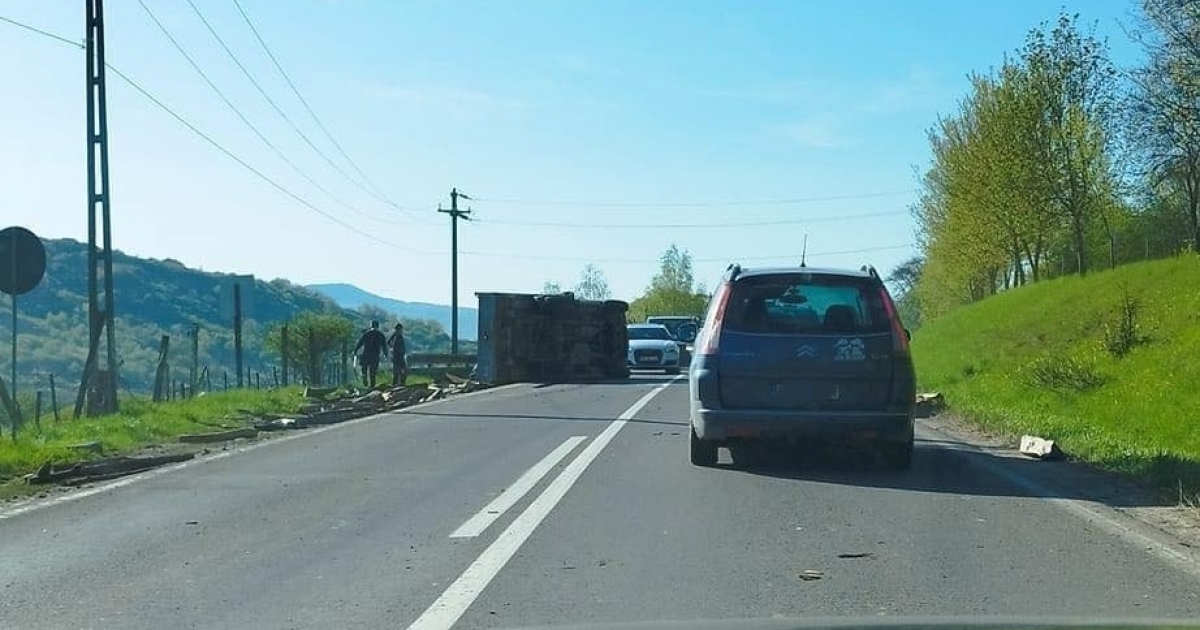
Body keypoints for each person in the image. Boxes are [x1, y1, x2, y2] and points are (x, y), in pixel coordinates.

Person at [353, 320, 388, 388]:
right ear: (378, 326)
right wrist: (385, 354)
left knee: (364, 369)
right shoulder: (381, 335)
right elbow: (384, 346)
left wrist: (355, 351)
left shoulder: (367, 333)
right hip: (375, 356)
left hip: (366, 354)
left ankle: (365, 380)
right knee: (373, 372)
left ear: (371, 325)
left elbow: (360, 343)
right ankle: (372, 386)